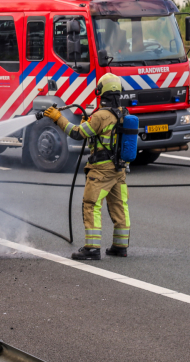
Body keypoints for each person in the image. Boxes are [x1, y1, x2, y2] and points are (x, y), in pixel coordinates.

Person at [42, 73, 130, 260]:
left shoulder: (100, 116)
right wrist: (87, 125)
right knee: (119, 206)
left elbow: (76, 134)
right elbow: (102, 135)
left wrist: (59, 118)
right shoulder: (124, 113)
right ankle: (120, 246)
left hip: (100, 170)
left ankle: (92, 248)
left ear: (101, 92)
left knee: (91, 205)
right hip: (119, 170)